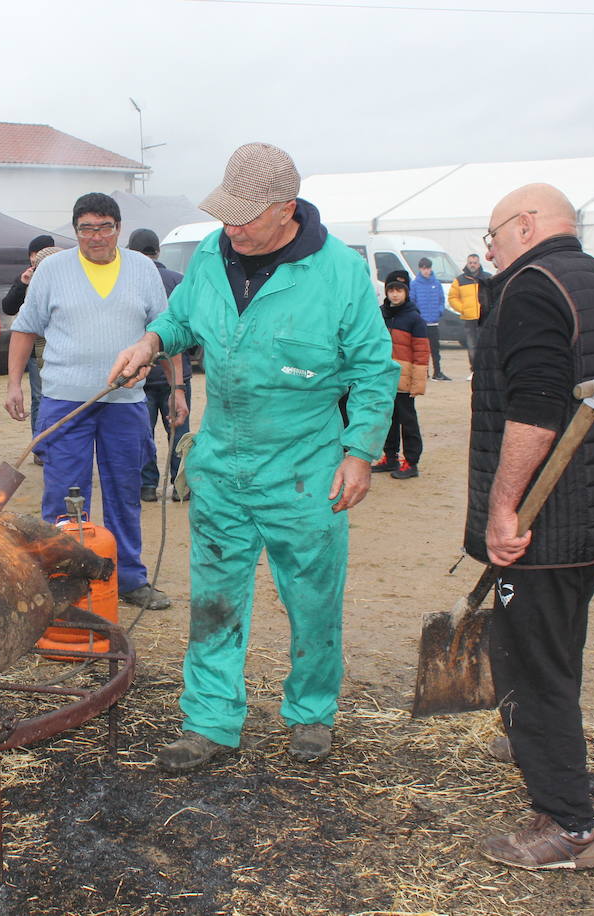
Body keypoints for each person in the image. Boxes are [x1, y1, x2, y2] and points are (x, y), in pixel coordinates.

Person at [107, 142, 397, 770]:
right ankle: (210, 719)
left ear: (286, 209)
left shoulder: (339, 274)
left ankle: (313, 711)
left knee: (313, 597)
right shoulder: (213, 255)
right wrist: (151, 341)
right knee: (214, 597)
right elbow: (182, 321)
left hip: (304, 469)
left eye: (246, 216)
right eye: (225, 214)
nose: (231, 228)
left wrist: (360, 451)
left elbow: (375, 368)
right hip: (221, 462)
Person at [472, 183, 594, 870]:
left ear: (526, 225)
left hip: (555, 517)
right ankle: (535, 738)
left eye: (493, 232)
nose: (488, 246)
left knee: (530, 660)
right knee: (552, 645)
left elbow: (534, 410)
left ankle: (568, 828)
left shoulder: (531, 285)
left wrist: (502, 509)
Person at [5, 193, 176, 611]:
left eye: (104, 227)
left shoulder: (142, 270)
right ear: (75, 231)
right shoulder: (53, 270)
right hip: (65, 401)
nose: (96, 236)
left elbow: (166, 331)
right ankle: (59, 578)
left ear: (118, 228)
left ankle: (129, 577)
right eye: (86, 228)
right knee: (64, 492)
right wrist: (13, 385)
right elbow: (25, 328)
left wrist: (178, 390)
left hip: (126, 401)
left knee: (124, 490)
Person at [128, 227, 191, 503]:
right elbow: (191, 326)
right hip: (176, 372)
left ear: (131, 250)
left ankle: (147, 485)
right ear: (158, 250)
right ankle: (181, 486)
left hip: (141, 371)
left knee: (143, 432)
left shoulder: (130, 281)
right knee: (178, 429)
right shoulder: (178, 280)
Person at [373, 270, 429, 479]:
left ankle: (412, 462)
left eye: (399, 290)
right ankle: (390, 457)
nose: (395, 295)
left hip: (404, 380)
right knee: (386, 419)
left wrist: (418, 383)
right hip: (383, 377)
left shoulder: (414, 319)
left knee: (408, 420)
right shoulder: (379, 314)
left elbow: (422, 352)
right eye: (391, 290)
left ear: (406, 293)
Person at [1, 234, 57, 440]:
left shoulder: (64, 278)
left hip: (60, 350)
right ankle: (40, 444)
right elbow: (8, 307)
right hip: (35, 351)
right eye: (34, 254)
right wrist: (21, 284)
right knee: (39, 397)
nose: (37, 259)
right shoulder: (27, 279)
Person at [447, 252, 489, 370]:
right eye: (470, 262)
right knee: (471, 345)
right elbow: (452, 298)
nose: (472, 265)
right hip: (469, 319)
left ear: (479, 263)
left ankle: (485, 368)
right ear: (467, 263)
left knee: (485, 344)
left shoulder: (487, 278)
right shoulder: (460, 280)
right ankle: (474, 369)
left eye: (475, 263)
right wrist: (463, 309)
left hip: (484, 318)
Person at [410, 256, 450, 380]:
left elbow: (441, 300)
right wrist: (418, 317)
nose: (426, 271)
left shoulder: (436, 283)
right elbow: (412, 301)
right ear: (420, 269)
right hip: (421, 323)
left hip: (434, 322)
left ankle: (437, 372)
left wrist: (439, 311)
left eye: (428, 268)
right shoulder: (415, 284)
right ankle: (424, 372)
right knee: (422, 350)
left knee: (435, 349)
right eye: (423, 268)